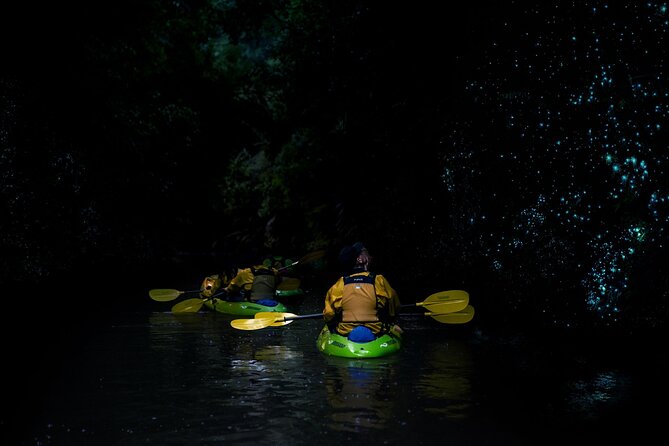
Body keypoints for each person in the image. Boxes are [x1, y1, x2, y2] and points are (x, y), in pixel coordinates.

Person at [322, 242, 402, 342]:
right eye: (366, 253)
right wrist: (391, 321)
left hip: (345, 331)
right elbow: (395, 307)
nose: (371, 257)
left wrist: (331, 325)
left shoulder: (340, 284)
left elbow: (329, 314)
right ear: (359, 259)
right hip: (377, 330)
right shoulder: (379, 280)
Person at [200, 256, 283, 303]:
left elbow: (233, 287)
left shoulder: (245, 272)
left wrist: (227, 289)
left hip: (252, 301)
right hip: (270, 299)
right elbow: (278, 282)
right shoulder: (273, 271)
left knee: (233, 296)